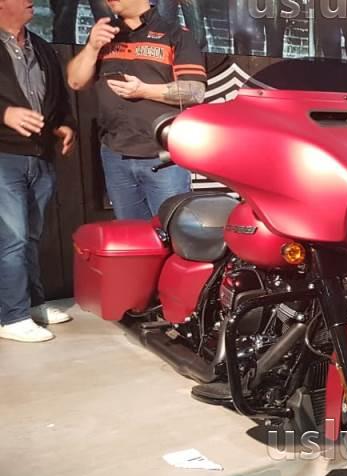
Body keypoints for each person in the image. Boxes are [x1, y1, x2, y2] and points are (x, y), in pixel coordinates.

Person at [66, 0, 206, 220]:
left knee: (171, 230)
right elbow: (75, 82)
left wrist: (144, 90)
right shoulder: (104, 35)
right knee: (130, 233)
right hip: (115, 155)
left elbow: (195, 92)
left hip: (163, 158)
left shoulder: (175, 33)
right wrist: (92, 47)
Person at [1, 0, 76, 342]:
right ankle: (11, 316)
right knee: (12, 238)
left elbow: (57, 99)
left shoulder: (41, 47)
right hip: (5, 155)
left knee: (31, 236)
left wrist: (65, 125)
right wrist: (4, 114)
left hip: (40, 156)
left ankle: (33, 304)